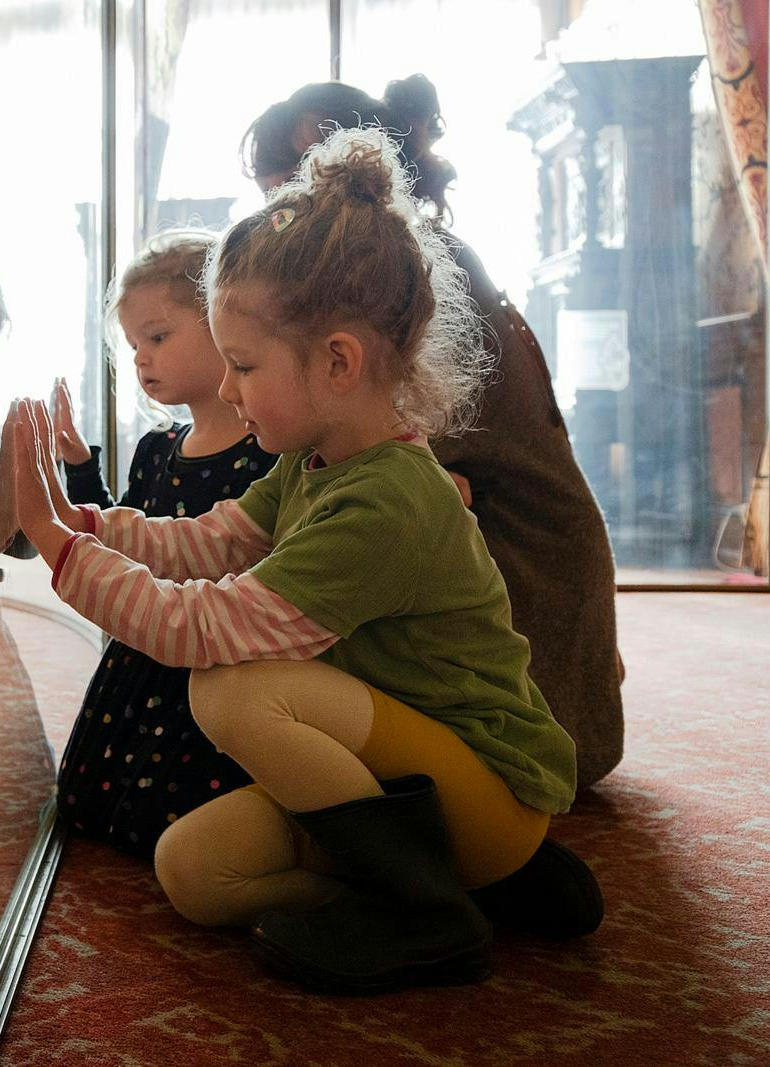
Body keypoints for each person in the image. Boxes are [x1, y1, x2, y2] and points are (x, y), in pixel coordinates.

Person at [10, 127, 599, 995]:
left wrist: (61, 552)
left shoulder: (387, 499)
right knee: (194, 869)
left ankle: (430, 903)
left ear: (337, 362)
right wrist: (86, 522)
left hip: (484, 790)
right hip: (402, 787)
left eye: (243, 365)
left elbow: (205, 625)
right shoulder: (314, 462)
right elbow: (207, 541)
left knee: (231, 680)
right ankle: (470, 887)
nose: (230, 388)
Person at [245, 75, 625, 791]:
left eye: (281, 201)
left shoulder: (396, 271)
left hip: (522, 565)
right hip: (531, 546)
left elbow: (388, 467)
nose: (273, 222)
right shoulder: (410, 252)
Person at [48, 229, 276, 857]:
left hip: (219, 658)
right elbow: (132, 536)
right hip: (144, 652)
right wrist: (79, 469)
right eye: (133, 345)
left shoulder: (270, 456)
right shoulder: (157, 450)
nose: (141, 359)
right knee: (88, 803)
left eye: (158, 336)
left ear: (224, 324)